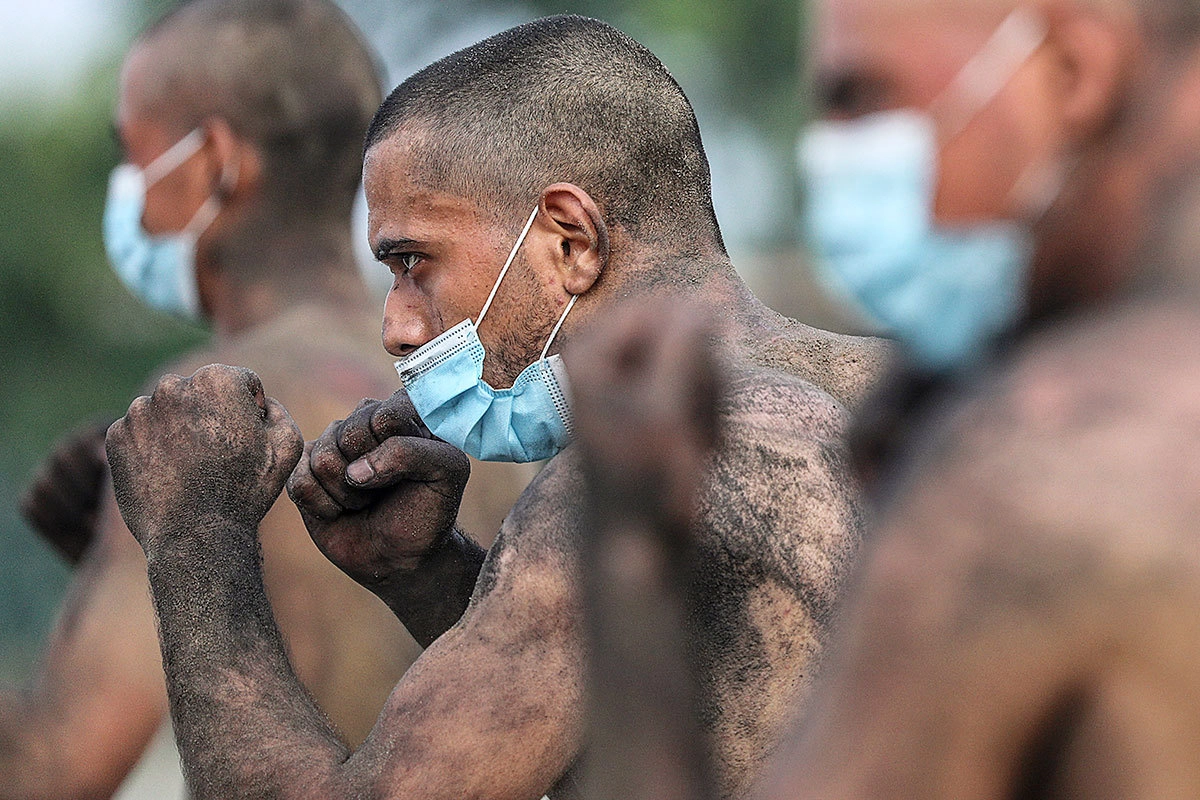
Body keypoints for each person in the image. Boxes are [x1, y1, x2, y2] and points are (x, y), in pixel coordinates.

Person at [102, 14, 889, 800]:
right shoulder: (907, 404)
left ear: (571, 241)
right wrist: (429, 577)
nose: (396, 326)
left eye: (413, 262)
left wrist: (195, 538)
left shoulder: (620, 489)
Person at [574, 0, 1200, 797]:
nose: (828, 155)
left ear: (1072, 74)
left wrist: (629, 553)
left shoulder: (1036, 475)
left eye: (860, 97)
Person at [5, 1, 533, 797]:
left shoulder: (205, 421)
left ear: (214, 161)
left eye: (131, 153)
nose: (126, 190)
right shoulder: (482, 388)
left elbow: (51, 771)